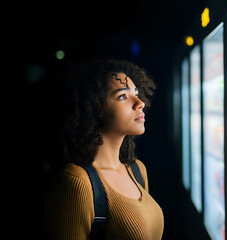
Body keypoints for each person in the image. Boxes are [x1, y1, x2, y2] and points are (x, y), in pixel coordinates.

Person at [43, 59, 164, 240]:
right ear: (93, 107)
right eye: (122, 96)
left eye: (136, 93)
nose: (140, 103)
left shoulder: (138, 170)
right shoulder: (77, 183)